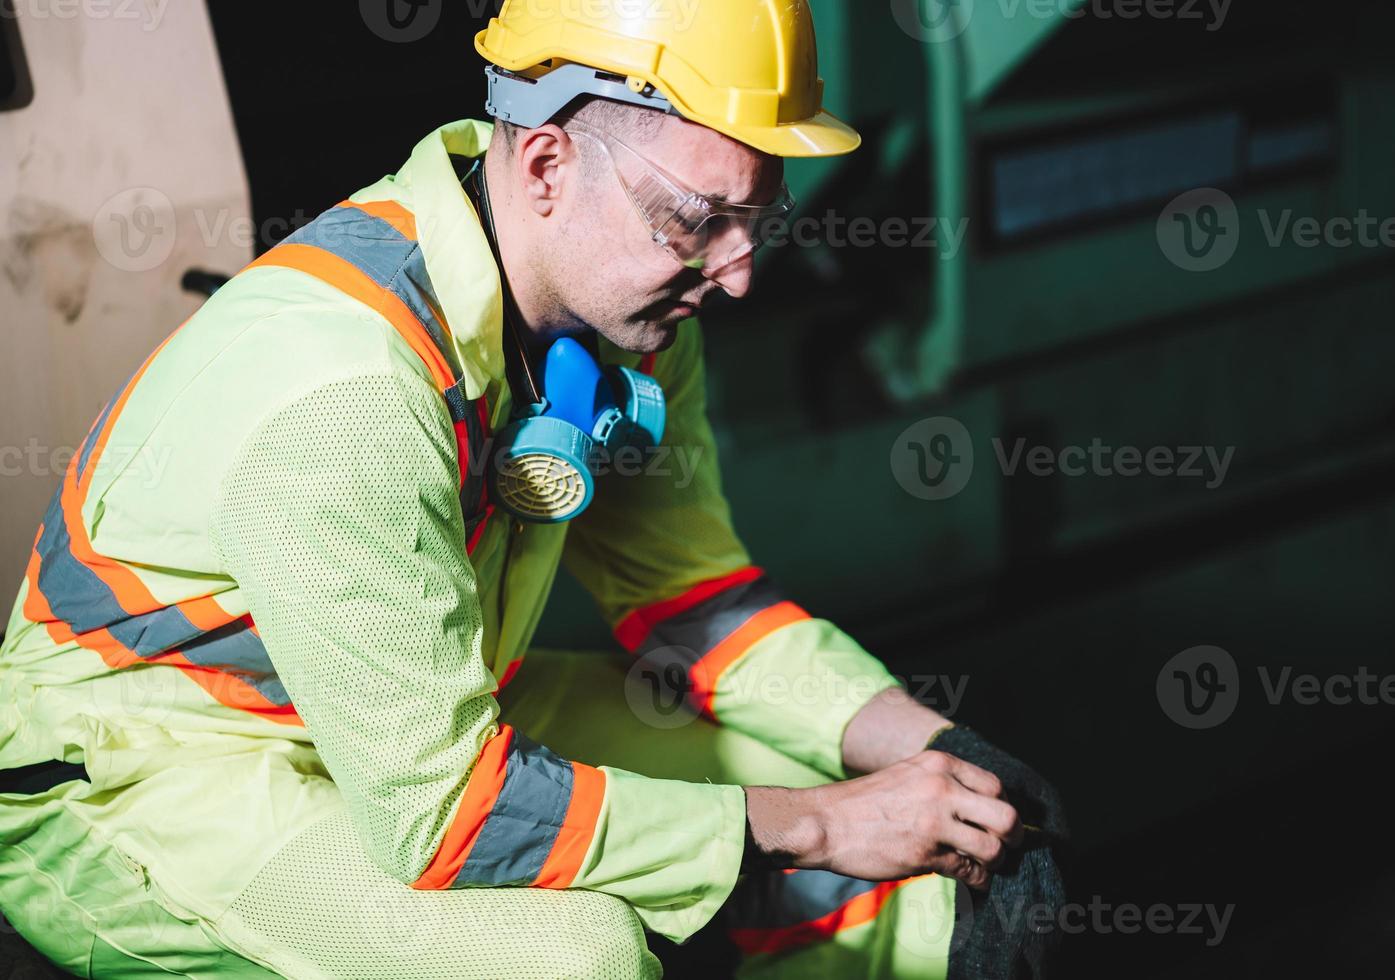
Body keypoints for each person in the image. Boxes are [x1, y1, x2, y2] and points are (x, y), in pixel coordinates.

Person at [0, 2, 1063, 976]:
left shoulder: (630, 321)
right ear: (548, 161)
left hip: (416, 716)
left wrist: (940, 757)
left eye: (759, 218)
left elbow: (697, 607)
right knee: (576, 956)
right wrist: (823, 820)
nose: (737, 272)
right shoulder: (345, 391)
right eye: (699, 218)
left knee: (896, 856)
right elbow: (448, 814)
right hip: (151, 775)